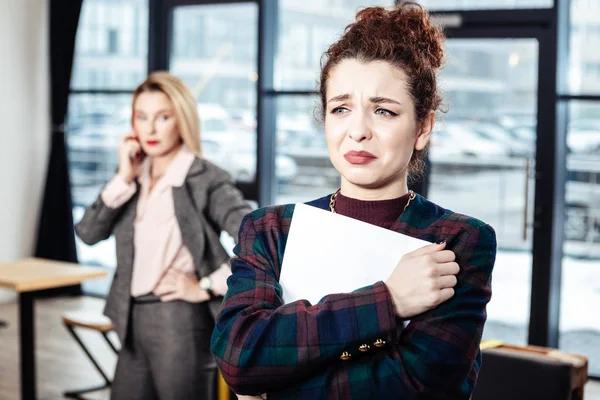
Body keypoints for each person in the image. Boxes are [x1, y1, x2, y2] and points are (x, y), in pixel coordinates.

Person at [210, 3, 497, 399]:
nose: (357, 130)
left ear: (422, 127)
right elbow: (240, 355)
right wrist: (389, 300)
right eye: (341, 108)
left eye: (383, 110)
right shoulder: (271, 229)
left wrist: (276, 381)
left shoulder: (457, 240)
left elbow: (418, 386)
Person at [75, 71, 252, 400]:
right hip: (130, 317)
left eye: (163, 117)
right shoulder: (133, 177)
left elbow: (257, 243)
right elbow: (87, 233)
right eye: (142, 117)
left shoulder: (204, 177)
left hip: (179, 320)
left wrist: (205, 285)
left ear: (180, 119)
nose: (151, 129)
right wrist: (123, 178)